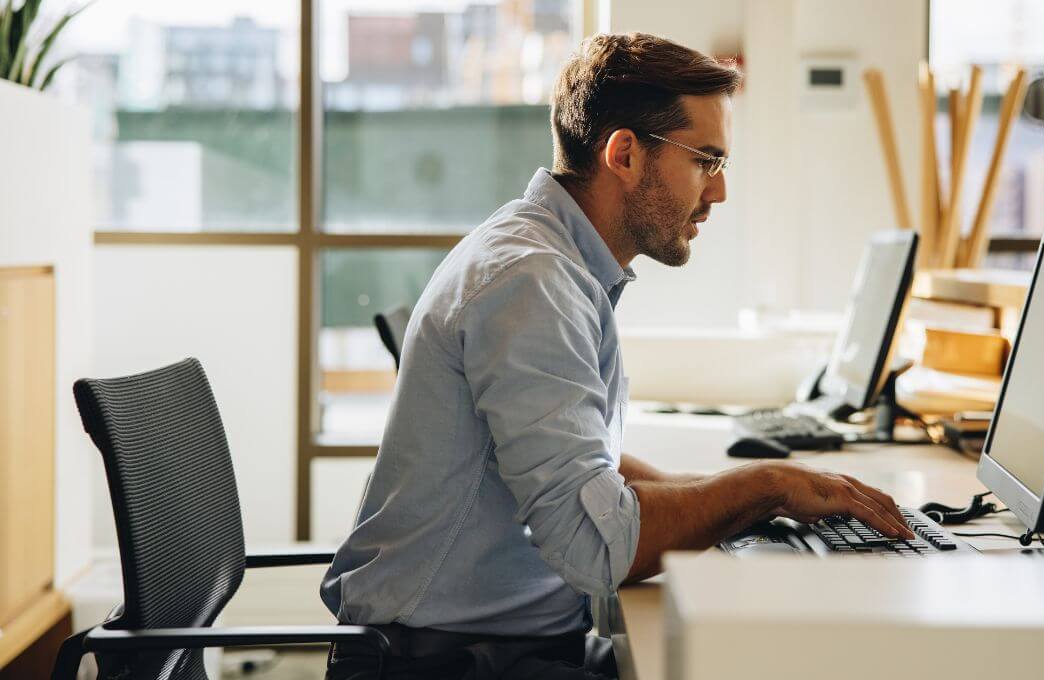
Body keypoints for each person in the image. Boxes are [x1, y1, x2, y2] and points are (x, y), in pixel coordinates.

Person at [321, 32, 912, 680]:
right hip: (442, 662)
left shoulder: (552, 260)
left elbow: (578, 459)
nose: (717, 193)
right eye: (706, 161)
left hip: (485, 641)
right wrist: (763, 486)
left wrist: (753, 498)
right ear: (625, 154)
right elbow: (596, 549)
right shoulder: (531, 282)